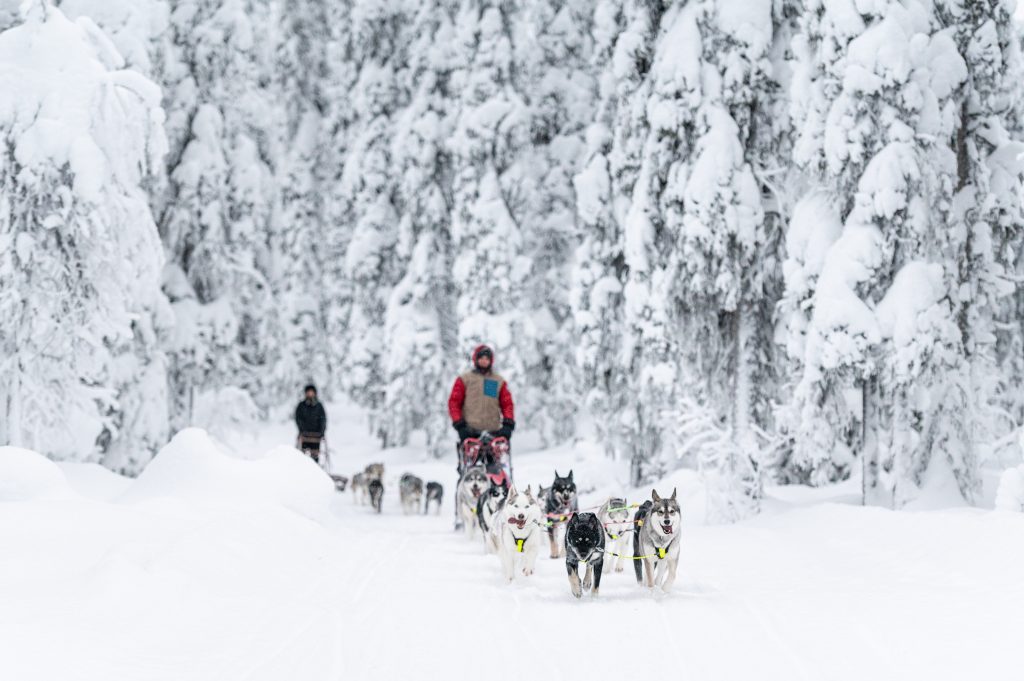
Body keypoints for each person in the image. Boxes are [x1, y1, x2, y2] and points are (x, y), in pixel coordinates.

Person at [448, 345, 515, 445]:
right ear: (476, 359)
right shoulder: (465, 379)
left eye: (487, 358)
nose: (484, 361)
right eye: (481, 358)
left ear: (491, 361)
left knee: (496, 461)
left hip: (493, 432)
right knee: (471, 460)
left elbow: (507, 404)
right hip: (470, 432)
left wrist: (508, 424)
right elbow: (454, 403)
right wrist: (459, 425)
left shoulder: (496, 380)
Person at [295, 384, 327, 462]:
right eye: (308, 392)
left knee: (315, 456)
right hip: (305, 436)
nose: (310, 394)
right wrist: (302, 430)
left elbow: (323, 419)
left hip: (316, 436)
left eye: (311, 392)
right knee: (302, 455)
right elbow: (298, 418)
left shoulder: (319, 406)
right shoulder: (301, 405)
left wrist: (321, 432)